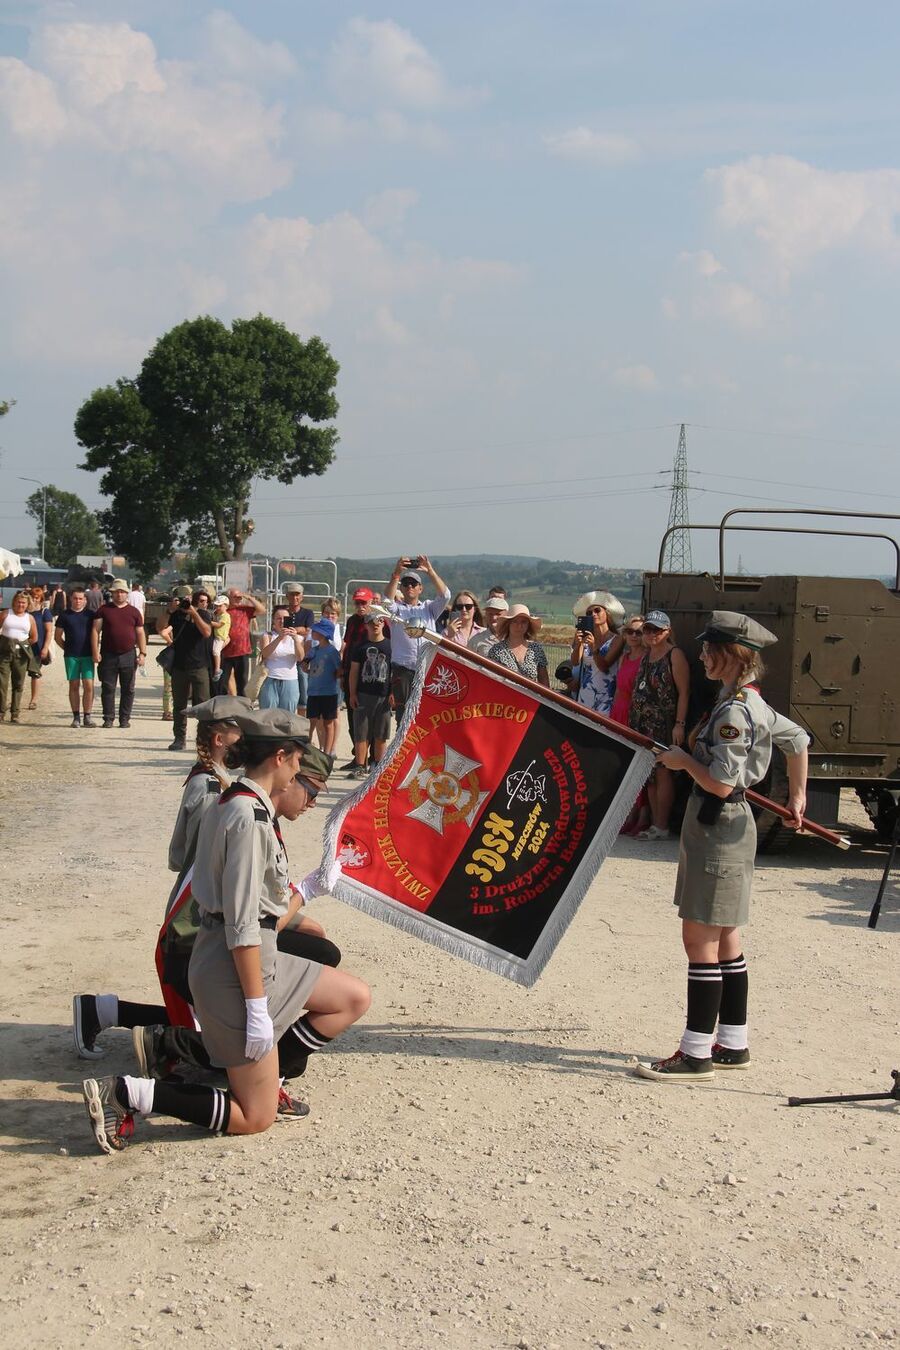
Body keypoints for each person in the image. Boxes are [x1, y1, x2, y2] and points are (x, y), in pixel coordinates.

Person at [81, 708, 371, 1155]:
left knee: (351, 997)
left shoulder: (239, 802)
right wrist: (257, 1008)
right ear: (279, 757)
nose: (299, 772)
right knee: (255, 1118)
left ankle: (264, 1072)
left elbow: (262, 910)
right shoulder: (246, 818)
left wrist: (310, 888)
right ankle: (129, 1094)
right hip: (234, 970)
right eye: (298, 762)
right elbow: (243, 924)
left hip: (250, 957)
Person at [635, 611, 809, 1083]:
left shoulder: (735, 710)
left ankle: (695, 1053)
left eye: (711, 651)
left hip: (719, 827)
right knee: (727, 940)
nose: (704, 657)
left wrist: (682, 761)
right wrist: (796, 795)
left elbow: (720, 782)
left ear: (732, 656)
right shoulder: (748, 701)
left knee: (700, 941)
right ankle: (733, 1042)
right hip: (727, 829)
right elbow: (798, 740)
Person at [628, 610, 691, 840]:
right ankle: (655, 824)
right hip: (642, 723)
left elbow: (684, 692)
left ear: (667, 631)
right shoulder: (647, 655)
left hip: (662, 723)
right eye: (648, 629)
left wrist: (679, 724)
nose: (651, 634)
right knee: (650, 776)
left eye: (657, 630)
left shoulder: (674, 655)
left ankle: (662, 824)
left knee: (663, 774)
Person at [384, 556, 451, 721]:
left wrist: (430, 571)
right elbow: (386, 602)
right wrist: (397, 573)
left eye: (413, 584)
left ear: (420, 588)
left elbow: (445, 596)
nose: (409, 587)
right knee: (403, 716)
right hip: (404, 670)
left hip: (427, 667)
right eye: (406, 584)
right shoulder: (397, 610)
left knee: (427, 715)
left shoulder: (429, 607)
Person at [159, 588, 213, 751]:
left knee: (204, 705)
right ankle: (179, 738)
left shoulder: (202, 614)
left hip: (199, 666)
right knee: (180, 705)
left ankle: (204, 740)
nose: (185, 603)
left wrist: (193, 613)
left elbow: (207, 632)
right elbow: (160, 627)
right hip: (179, 666)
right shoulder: (176, 615)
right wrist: (170, 610)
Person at [610, 616, 651, 836]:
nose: (634, 636)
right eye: (630, 632)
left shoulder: (646, 658)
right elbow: (618, 689)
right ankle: (629, 813)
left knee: (638, 766)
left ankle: (641, 814)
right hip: (620, 711)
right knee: (623, 765)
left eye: (638, 632)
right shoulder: (624, 657)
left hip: (636, 713)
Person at [91, 578, 146, 729]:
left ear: (127, 594)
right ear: (112, 593)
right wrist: (95, 651)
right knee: (108, 688)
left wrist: (142, 653)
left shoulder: (134, 612)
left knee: (128, 688)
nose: (119, 595)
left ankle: (124, 718)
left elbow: (140, 633)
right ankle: (108, 718)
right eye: (116, 592)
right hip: (108, 654)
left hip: (128, 654)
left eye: (122, 592)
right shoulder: (103, 610)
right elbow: (95, 631)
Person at [347, 611, 392, 778]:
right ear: (366, 625)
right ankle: (360, 764)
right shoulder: (360, 647)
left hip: (383, 695)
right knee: (361, 732)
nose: (376, 624)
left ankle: (379, 764)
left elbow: (393, 672)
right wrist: (352, 693)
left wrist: (392, 692)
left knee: (381, 733)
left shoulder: (390, 646)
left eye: (379, 621)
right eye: (372, 622)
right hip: (364, 693)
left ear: (383, 624)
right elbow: (354, 671)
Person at [570, 590, 625, 716]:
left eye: (597, 610)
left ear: (607, 613)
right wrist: (578, 645)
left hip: (606, 698)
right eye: (589, 613)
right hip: (585, 695)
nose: (593, 614)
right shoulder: (585, 637)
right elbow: (575, 662)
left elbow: (604, 667)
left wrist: (594, 648)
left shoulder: (617, 639)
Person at [339, 587, 374, 761]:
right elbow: (347, 647)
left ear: (371, 602)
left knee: (369, 719)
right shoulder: (352, 621)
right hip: (350, 674)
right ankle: (358, 757)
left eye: (364, 602)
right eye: (357, 602)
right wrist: (343, 673)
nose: (360, 606)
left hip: (368, 676)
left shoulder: (377, 621)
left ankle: (373, 757)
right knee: (353, 718)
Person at [54, 585, 96, 727]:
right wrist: (67, 648)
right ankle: (76, 716)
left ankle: (87, 716)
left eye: (80, 598)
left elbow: (97, 634)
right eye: (75, 598)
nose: (78, 601)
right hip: (71, 656)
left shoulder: (90, 615)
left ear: (85, 600)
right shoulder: (65, 615)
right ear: (70, 599)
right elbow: (57, 636)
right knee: (74, 685)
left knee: (89, 685)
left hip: (88, 655)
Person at [488, 604, 550, 687]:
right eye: (515, 621)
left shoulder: (536, 649)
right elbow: (491, 681)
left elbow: (544, 681)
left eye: (523, 622)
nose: (519, 626)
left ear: (528, 625)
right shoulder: (496, 651)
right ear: (508, 624)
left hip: (531, 698)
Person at [303, 618, 342, 754]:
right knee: (311, 721)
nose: (313, 632)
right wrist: (306, 665)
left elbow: (339, 669)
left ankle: (327, 752)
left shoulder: (332, 651)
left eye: (316, 630)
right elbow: (304, 666)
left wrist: (333, 677)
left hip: (329, 692)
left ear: (323, 633)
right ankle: (306, 749)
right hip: (313, 692)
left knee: (328, 723)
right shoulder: (313, 650)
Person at [258, 605, 305, 712]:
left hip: (290, 680)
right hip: (270, 678)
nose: (282, 621)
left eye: (285, 618)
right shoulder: (267, 636)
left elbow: (300, 657)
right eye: (278, 618)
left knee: (287, 716)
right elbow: (265, 654)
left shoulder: (298, 638)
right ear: (273, 621)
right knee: (268, 715)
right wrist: (280, 637)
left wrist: (295, 639)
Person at [0, 590, 37, 723]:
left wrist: (22, 645)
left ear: (27, 604)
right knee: (2, 683)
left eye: (23, 603)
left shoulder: (29, 618)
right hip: (4, 653)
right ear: (14, 602)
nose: (20, 605)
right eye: (18, 602)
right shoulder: (5, 614)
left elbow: (34, 637)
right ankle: (1, 711)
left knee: (18, 683)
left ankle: (15, 713)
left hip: (20, 655)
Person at [221, 587, 266, 696]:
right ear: (229, 598)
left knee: (242, 683)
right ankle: (222, 707)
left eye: (240, 597)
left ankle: (243, 707)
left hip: (242, 651)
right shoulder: (223, 610)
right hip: (225, 652)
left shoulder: (244, 609)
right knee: (222, 683)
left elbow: (262, 610)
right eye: (235, 597)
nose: (239, 599)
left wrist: (249, 597)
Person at [281, 583, 315, 714]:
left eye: (297, 594)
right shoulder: (282, 611)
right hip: (285, 656)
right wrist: (302, 629)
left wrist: (296, 630)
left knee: (303, 692)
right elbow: (277, 629)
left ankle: (301, 721)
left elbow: (310, 631)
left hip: (301, 657)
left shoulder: (308, 613)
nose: (294, 597)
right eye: (292, 594)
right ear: (287, 596)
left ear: (302, 597)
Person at [25, 583, 54, 711]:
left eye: (37, 597)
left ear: (41, 598)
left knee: (35, 674)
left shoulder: (44, 612)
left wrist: (45, 648)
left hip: (37, 647)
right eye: (33, 596)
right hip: (23, 646)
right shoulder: (23, 610)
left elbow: (49, 631)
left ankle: (33, 700)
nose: (35, 599)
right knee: (18, 674)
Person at [209, 594, 231, 686]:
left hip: (220, 637)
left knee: (215, 651)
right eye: (217, 605)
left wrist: (208, 622)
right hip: (217, 636)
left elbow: (219, 625)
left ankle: (217, 669)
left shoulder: (225, 616)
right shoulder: (218, 614)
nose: (218, 607)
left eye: (220, 606)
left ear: (226, 606)